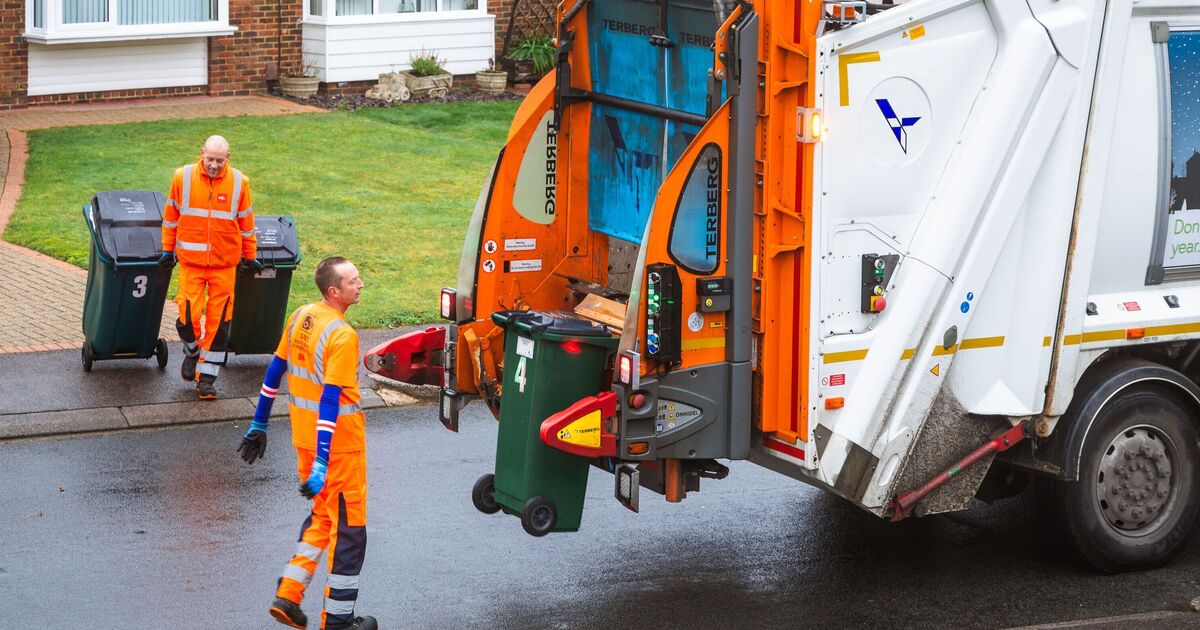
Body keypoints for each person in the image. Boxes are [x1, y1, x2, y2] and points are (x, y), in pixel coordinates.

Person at [238, 256, 375, 630]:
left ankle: (288, 596)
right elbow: (331, 399)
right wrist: (324, 460)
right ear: (334, 291)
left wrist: (259, 423)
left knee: (322, 517)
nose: (360, 284)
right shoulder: (342, 335)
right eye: (353, 281)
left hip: (305, 441)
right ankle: (339, 620)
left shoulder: (301, 316)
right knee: (349, 532)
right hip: (339, 449)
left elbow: (274, 371)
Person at [159, 135, 262, 399]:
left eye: (219, 160)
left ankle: (206, 379)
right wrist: (167, 249)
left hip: (224, 265)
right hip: (191, 264)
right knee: (187, 317)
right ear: (201, 153)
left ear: (228, 158)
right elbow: (170, 217)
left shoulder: (240, 182)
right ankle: (192, 352)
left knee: (219, 322)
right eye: (210, 159)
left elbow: (247, 222)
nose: (214, 165)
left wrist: (250, 255)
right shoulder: (182, 178)